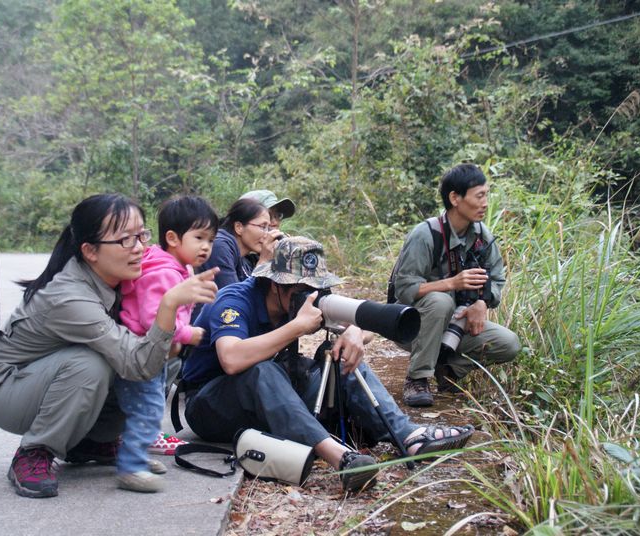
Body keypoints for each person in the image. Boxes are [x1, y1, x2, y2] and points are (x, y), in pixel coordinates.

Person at [181, 236, 475, 493]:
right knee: (262, 370)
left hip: (262, 400)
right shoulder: (234, 300)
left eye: (316, 288)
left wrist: (355, 332)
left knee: (336, 357)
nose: (310, 295)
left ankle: (408, 436)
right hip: (208, 404)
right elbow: (231, 359)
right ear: (275, 285)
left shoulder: (304, 300)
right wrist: (296, 327)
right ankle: (342, 460)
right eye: (300, 289)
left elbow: (364, 321)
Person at [0, 193, 219, 498]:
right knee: (92, 364)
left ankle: (90, 442)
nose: (140, 248)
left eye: (141, 235)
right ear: (90, 251)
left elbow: (153, 352)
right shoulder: (70, 297)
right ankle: (35, 450)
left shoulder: (123, 278)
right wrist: (170, 304)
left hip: (49, 379)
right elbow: (137, 363)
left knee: (161, 356)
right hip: (7, 389)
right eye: (125, 241)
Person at [389, 163, 521, 407]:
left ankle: (448, 370)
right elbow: (404, 291)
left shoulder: (482, 235)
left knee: (509, 343)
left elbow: (497, 279)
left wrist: (482, 302)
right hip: (409, 325)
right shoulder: (426, 234)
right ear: (455, 198)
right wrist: (451, 283)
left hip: (455, 326)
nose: (485, 203)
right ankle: (417, 379)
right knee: (441, 300)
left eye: (486, 196)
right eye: (479, 196)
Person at [115, 195, 218, 492]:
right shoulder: (164, 272)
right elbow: (152, 318)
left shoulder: (175, 267)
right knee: (146, 409)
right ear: (172, 237)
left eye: (210, 240)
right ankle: (130, 466)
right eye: (199, 237)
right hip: (141, 352)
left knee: (149, 405)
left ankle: (136, 455)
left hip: (154, 354)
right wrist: (188, 335)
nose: (205, 247)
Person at [198, 197, 281, 290]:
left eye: (268, 228)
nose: (267, 234)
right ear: (239, 227)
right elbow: (232, 298)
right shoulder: (220, 247)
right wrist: (263, 262)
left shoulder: (244, 260)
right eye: (262, 227)